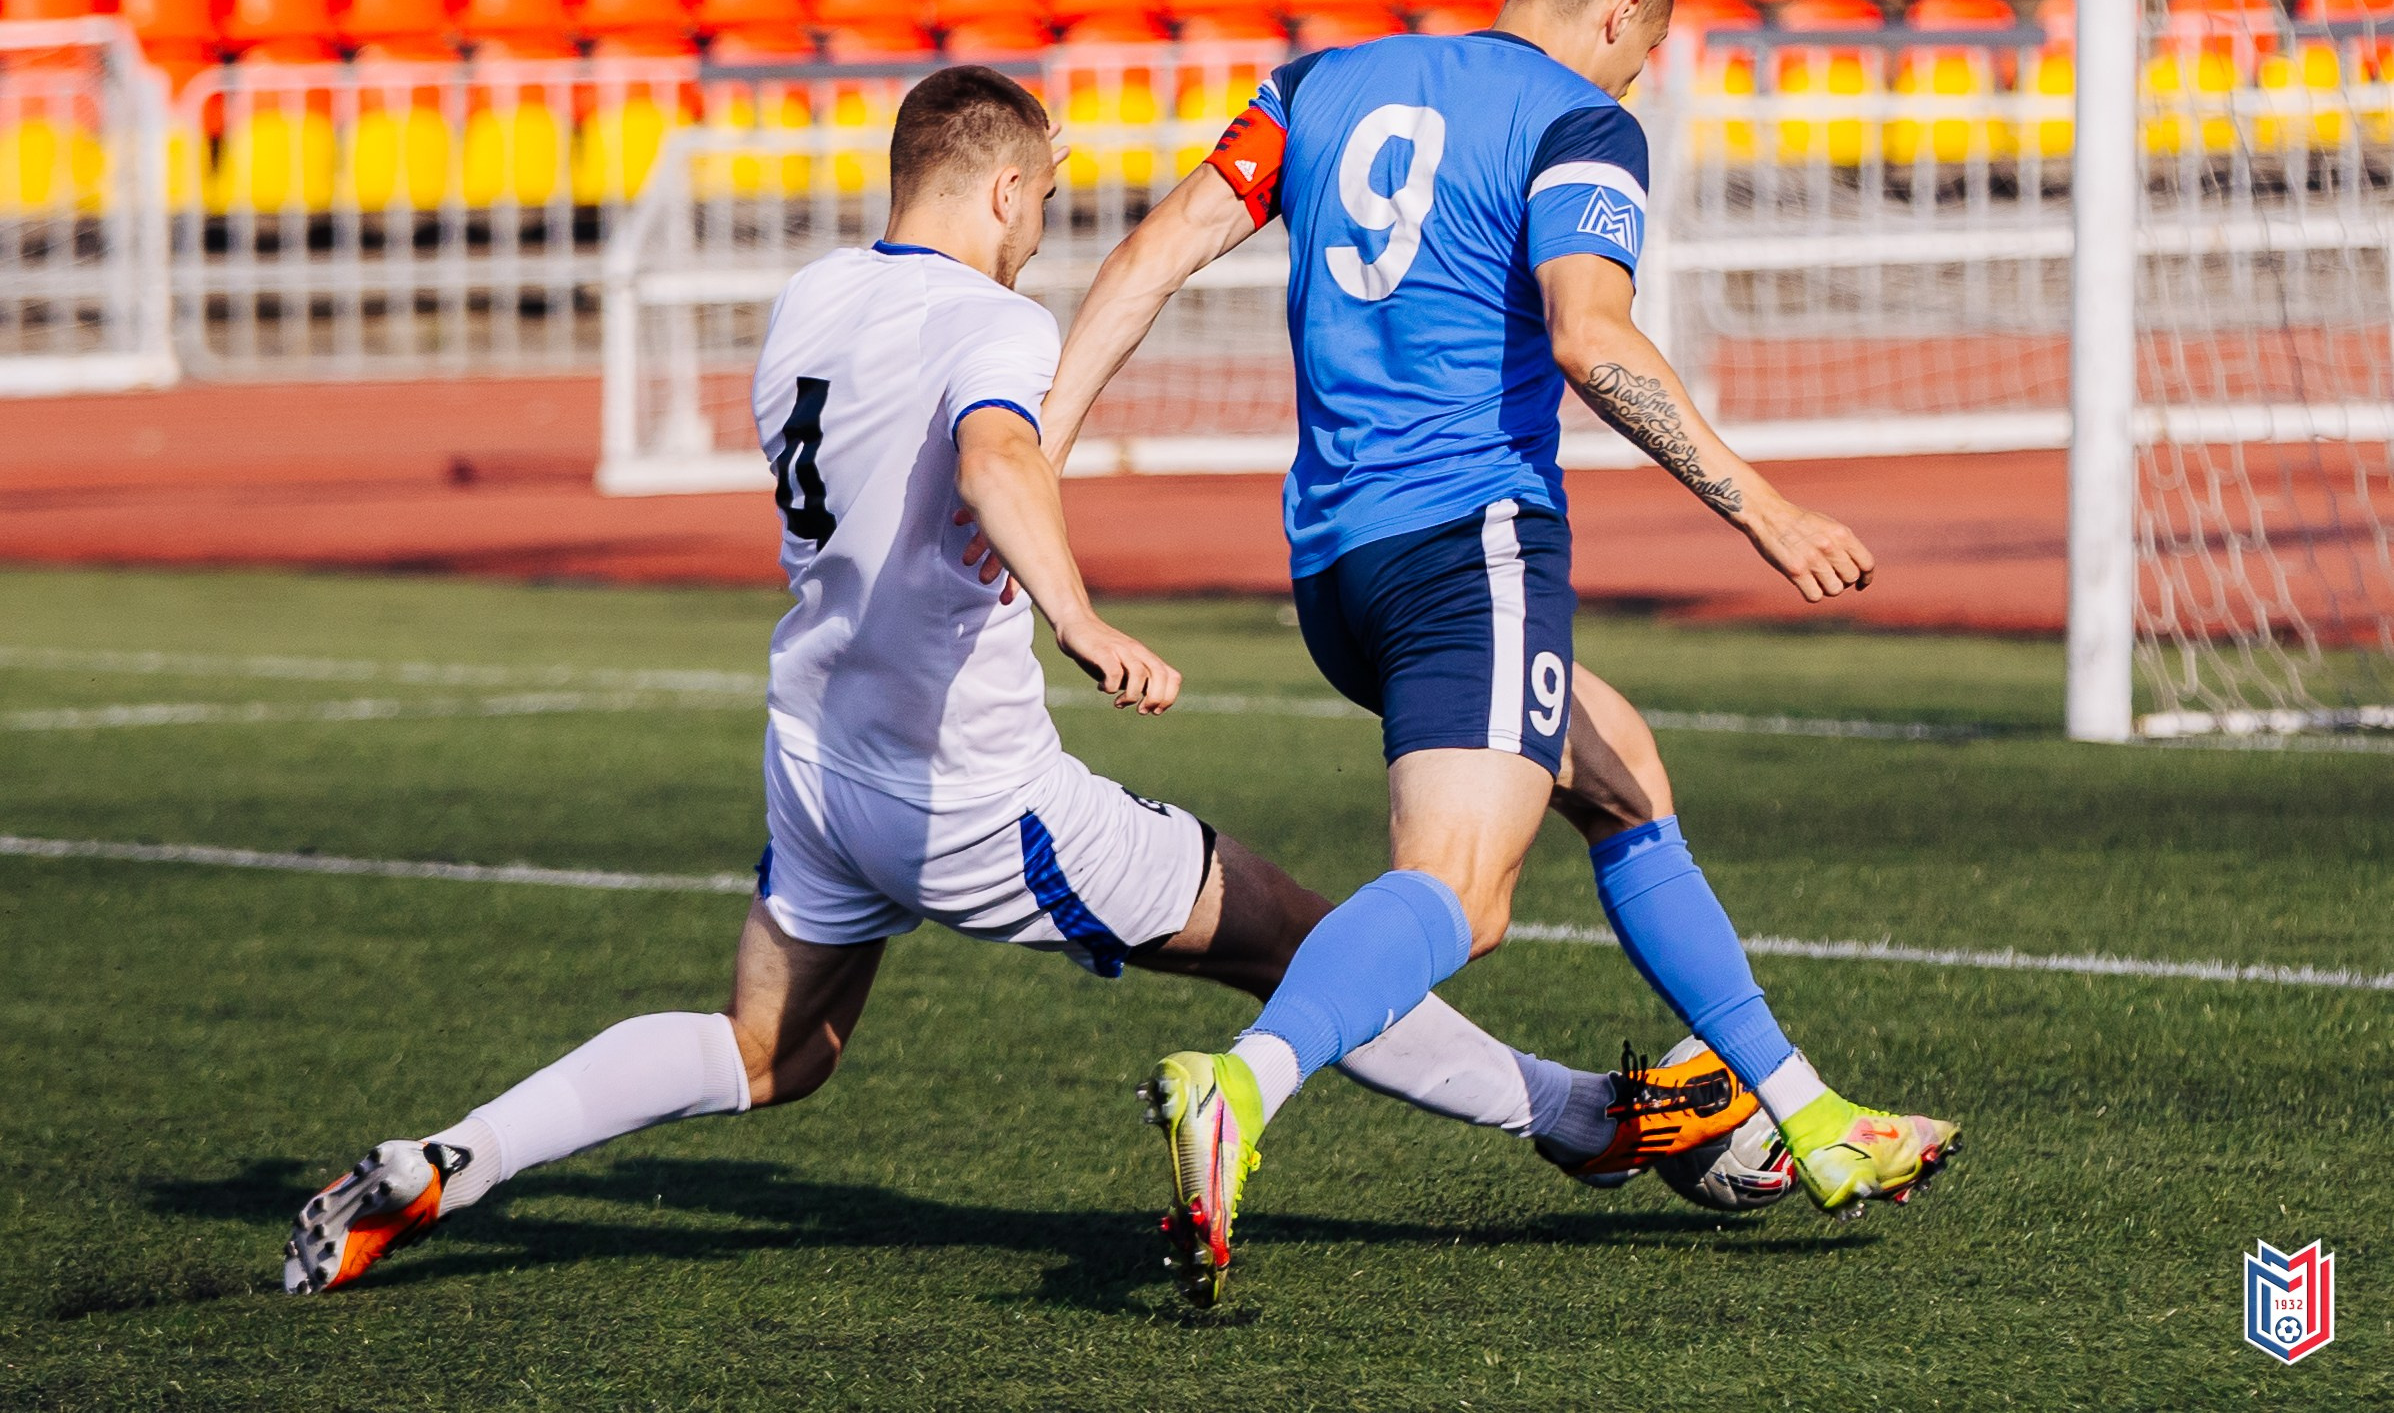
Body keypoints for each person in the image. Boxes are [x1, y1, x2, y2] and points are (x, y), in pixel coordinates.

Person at [282, 65, 1758, 1298]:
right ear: (996, 189)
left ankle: (450, 1159)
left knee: (762, 1050)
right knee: (1294, 937)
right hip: (971, 793)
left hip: (816, 759)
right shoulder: (993, 323)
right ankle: (1577, 1117)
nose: (1042, 237)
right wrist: (1080, 618)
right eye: (1042, 204)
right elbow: (997, 455)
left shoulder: (812, 297)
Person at [1030, 0, 1960, 1304]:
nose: (1637, 77)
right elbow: (1591, 340)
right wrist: (1761, 505)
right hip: (1470, 548)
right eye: (1641, 51)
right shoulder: (1581, 124)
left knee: (1623, 781)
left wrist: (1036, 461)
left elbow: (1144, 259)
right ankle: (1244, 1085)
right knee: (1456, 899)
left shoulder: (1318, 85)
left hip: (1336, 568)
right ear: (1616, 15)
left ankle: (1815, 1118)